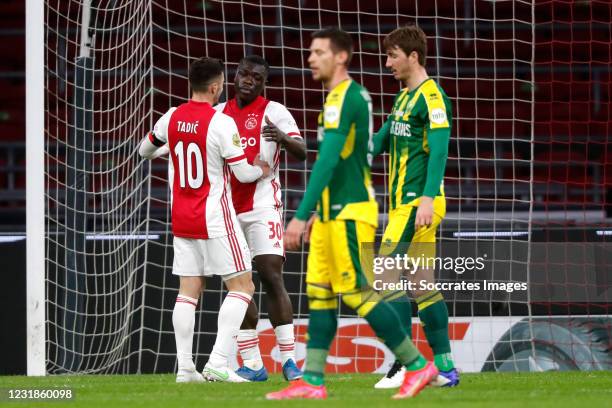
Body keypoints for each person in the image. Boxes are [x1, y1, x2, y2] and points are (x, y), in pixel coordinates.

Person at [266, 28, 437, 401]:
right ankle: (312, 381)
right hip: (332, 213)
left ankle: (417, 365)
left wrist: (300, 213)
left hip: (349, 213)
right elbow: (342, 162)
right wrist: (317, 213)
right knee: (321, 293)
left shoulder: (344, 98)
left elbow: (326, 161)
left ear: (340, 57)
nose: (310, 59)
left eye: (318, 52)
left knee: (358, 291)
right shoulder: (340, 97)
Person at [139, 57, 270, 383]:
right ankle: (218, 361)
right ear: (215, 87)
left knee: (188, 291)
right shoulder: (222, 123)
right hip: (215, 217)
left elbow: (144, 151)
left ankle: (185, 369)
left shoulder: (170, 117)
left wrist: (166, 150)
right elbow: (242, 172)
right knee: (243, 286)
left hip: (181, 219)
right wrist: (261, 169)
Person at [370, 25, 458, 389]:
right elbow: (385, 134)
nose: (387, 62)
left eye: (392, 55)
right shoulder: (403, 97)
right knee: (422, 285)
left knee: (382, 275)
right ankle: (445, 368)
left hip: (418, 203)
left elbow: (439, 149)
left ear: (413, 57)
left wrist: (425, 199)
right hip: (405, 205)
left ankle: (408, 365)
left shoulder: (432, 97)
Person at [213, 55, 306, 382]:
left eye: (255, 76)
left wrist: (280, 137)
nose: (247, 80)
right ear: (234, 77)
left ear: (264, 82)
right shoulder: (217, 114)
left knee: (270, 274)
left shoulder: (275, 111)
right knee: (237, 285)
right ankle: (252, 363)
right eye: (243, 74)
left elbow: (302, 150)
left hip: (263, 203)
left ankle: (290, 360)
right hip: (225, 208)